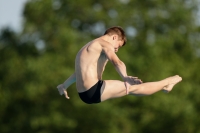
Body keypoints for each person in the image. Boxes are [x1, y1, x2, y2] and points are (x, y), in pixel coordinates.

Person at [57, 26, 182, 104]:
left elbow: (78, 74)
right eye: (118, 45)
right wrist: (125, 77)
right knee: (133, 88)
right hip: (94, 90)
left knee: (133, 90)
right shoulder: (103, 44)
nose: (116, 49)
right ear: (114, 38)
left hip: (84, 95)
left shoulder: (85, 49)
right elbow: (117, 62)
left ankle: (167, 83)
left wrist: (64, 85)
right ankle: (169, 81)